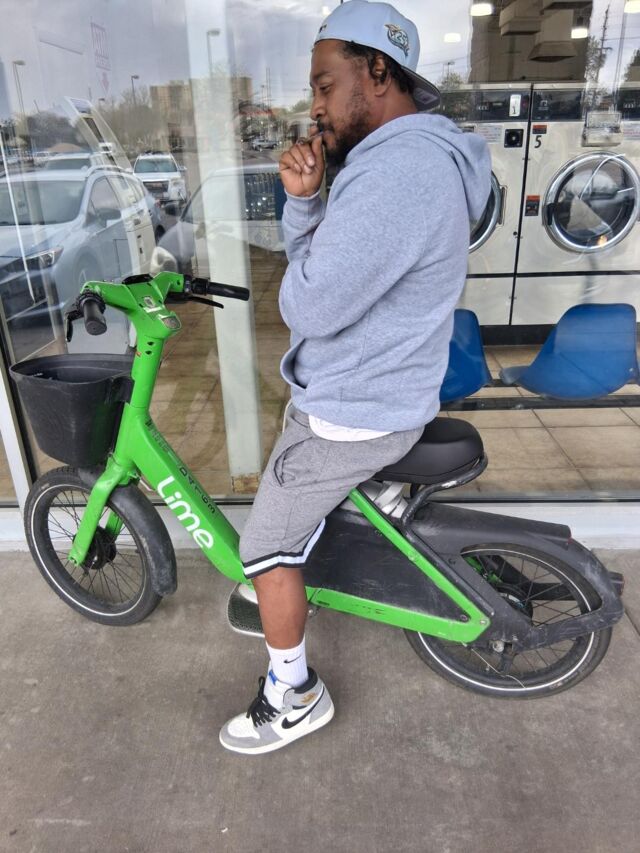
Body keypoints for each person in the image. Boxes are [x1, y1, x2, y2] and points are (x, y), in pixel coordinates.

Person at [219, 0, 491, 755]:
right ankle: (346, 517)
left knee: (262, 546)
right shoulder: (411, 158)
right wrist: (311, 203)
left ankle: (294, 695)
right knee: (292, 482)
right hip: (378, 389)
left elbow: (308, 304)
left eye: (323, 85)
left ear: (377, 72)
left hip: (355, 409)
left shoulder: (396, 175)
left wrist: (302, 219)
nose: (314, 106)